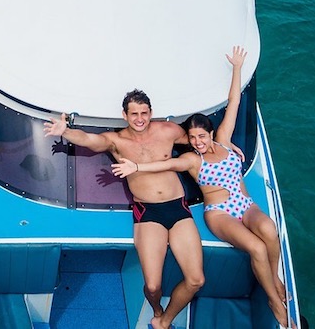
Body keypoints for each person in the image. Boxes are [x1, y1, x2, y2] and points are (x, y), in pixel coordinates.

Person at [111, 46, 292, 328]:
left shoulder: (223, 140)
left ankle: (276, 280)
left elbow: (234, 102)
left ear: (210, 133)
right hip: (219, 211)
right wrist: (137, 167)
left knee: (270, 231)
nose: (197, 142)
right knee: (256, 248)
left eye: (201, 136)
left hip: (244, 204)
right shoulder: (191, 160)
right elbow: (166, 165)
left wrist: (236, 68)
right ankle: (273, 300)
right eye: (192, 138)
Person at [44, 90, 204, 329]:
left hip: (178, 208)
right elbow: (90, 140)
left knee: (196, 280)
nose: (140, 119)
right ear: (124, 115)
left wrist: (222, 144)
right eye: (134, 114)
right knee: (152, 286)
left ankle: (164, 321)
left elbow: (196, 140)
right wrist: (65, 131)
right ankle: (158, 310)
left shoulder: (168, 131)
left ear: (151, 113)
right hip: (148, 213)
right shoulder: (117, 141)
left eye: (144, 113)